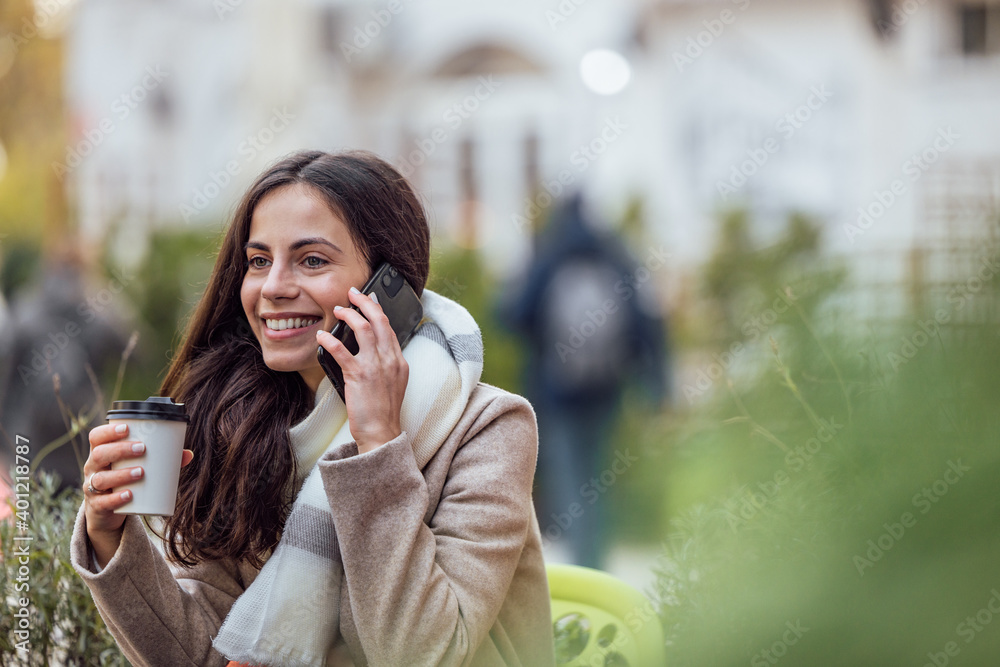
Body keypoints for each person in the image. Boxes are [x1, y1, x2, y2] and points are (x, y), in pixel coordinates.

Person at [69, 150, 555, 666]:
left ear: (386, 287)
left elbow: (428, 653)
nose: (274, 287)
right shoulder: (241, 426)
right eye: (259, 261)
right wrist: (109, 535)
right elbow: (200, 656)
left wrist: (379, 447)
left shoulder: (489, 429)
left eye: (312, 260)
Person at [503, 194, 668, 570]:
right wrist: (655, 384)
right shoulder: (613, 255)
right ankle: (597, 561)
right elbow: (646, 322)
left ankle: (583, 567)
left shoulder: (550, 253)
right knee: (598, 480)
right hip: (606, 390)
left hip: (557, 394)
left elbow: (514, 316)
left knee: (571, 480)